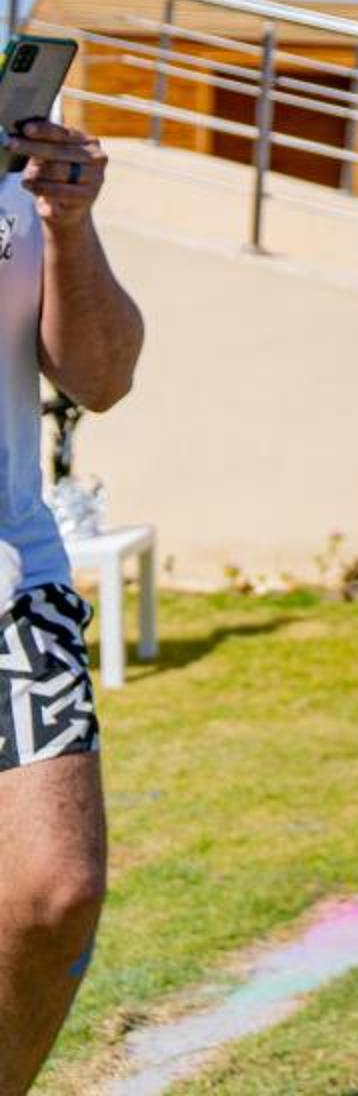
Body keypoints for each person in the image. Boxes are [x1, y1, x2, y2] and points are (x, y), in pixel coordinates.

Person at [0, 119, 145, 1096]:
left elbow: (102, 378)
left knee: (57, 890)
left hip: (14, 567)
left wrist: (67, 221)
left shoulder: (17, 170)